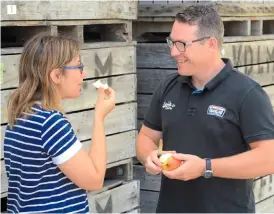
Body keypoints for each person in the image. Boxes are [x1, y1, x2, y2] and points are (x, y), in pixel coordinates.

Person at [136, 4, 274, 213]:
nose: (173, 52)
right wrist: (149, 156)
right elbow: (146, 138)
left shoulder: (247, 93)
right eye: (172, 42)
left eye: (182, 44)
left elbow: (269, 158)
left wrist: (206, 168)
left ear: (210, 44)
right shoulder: (168, 87)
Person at [4, 33, 116, 213]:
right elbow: (95, 179)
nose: (84, 73)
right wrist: (99, 118)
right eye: (79, 66)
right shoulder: (50, 123)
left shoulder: (19, 117)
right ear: (56, 75)